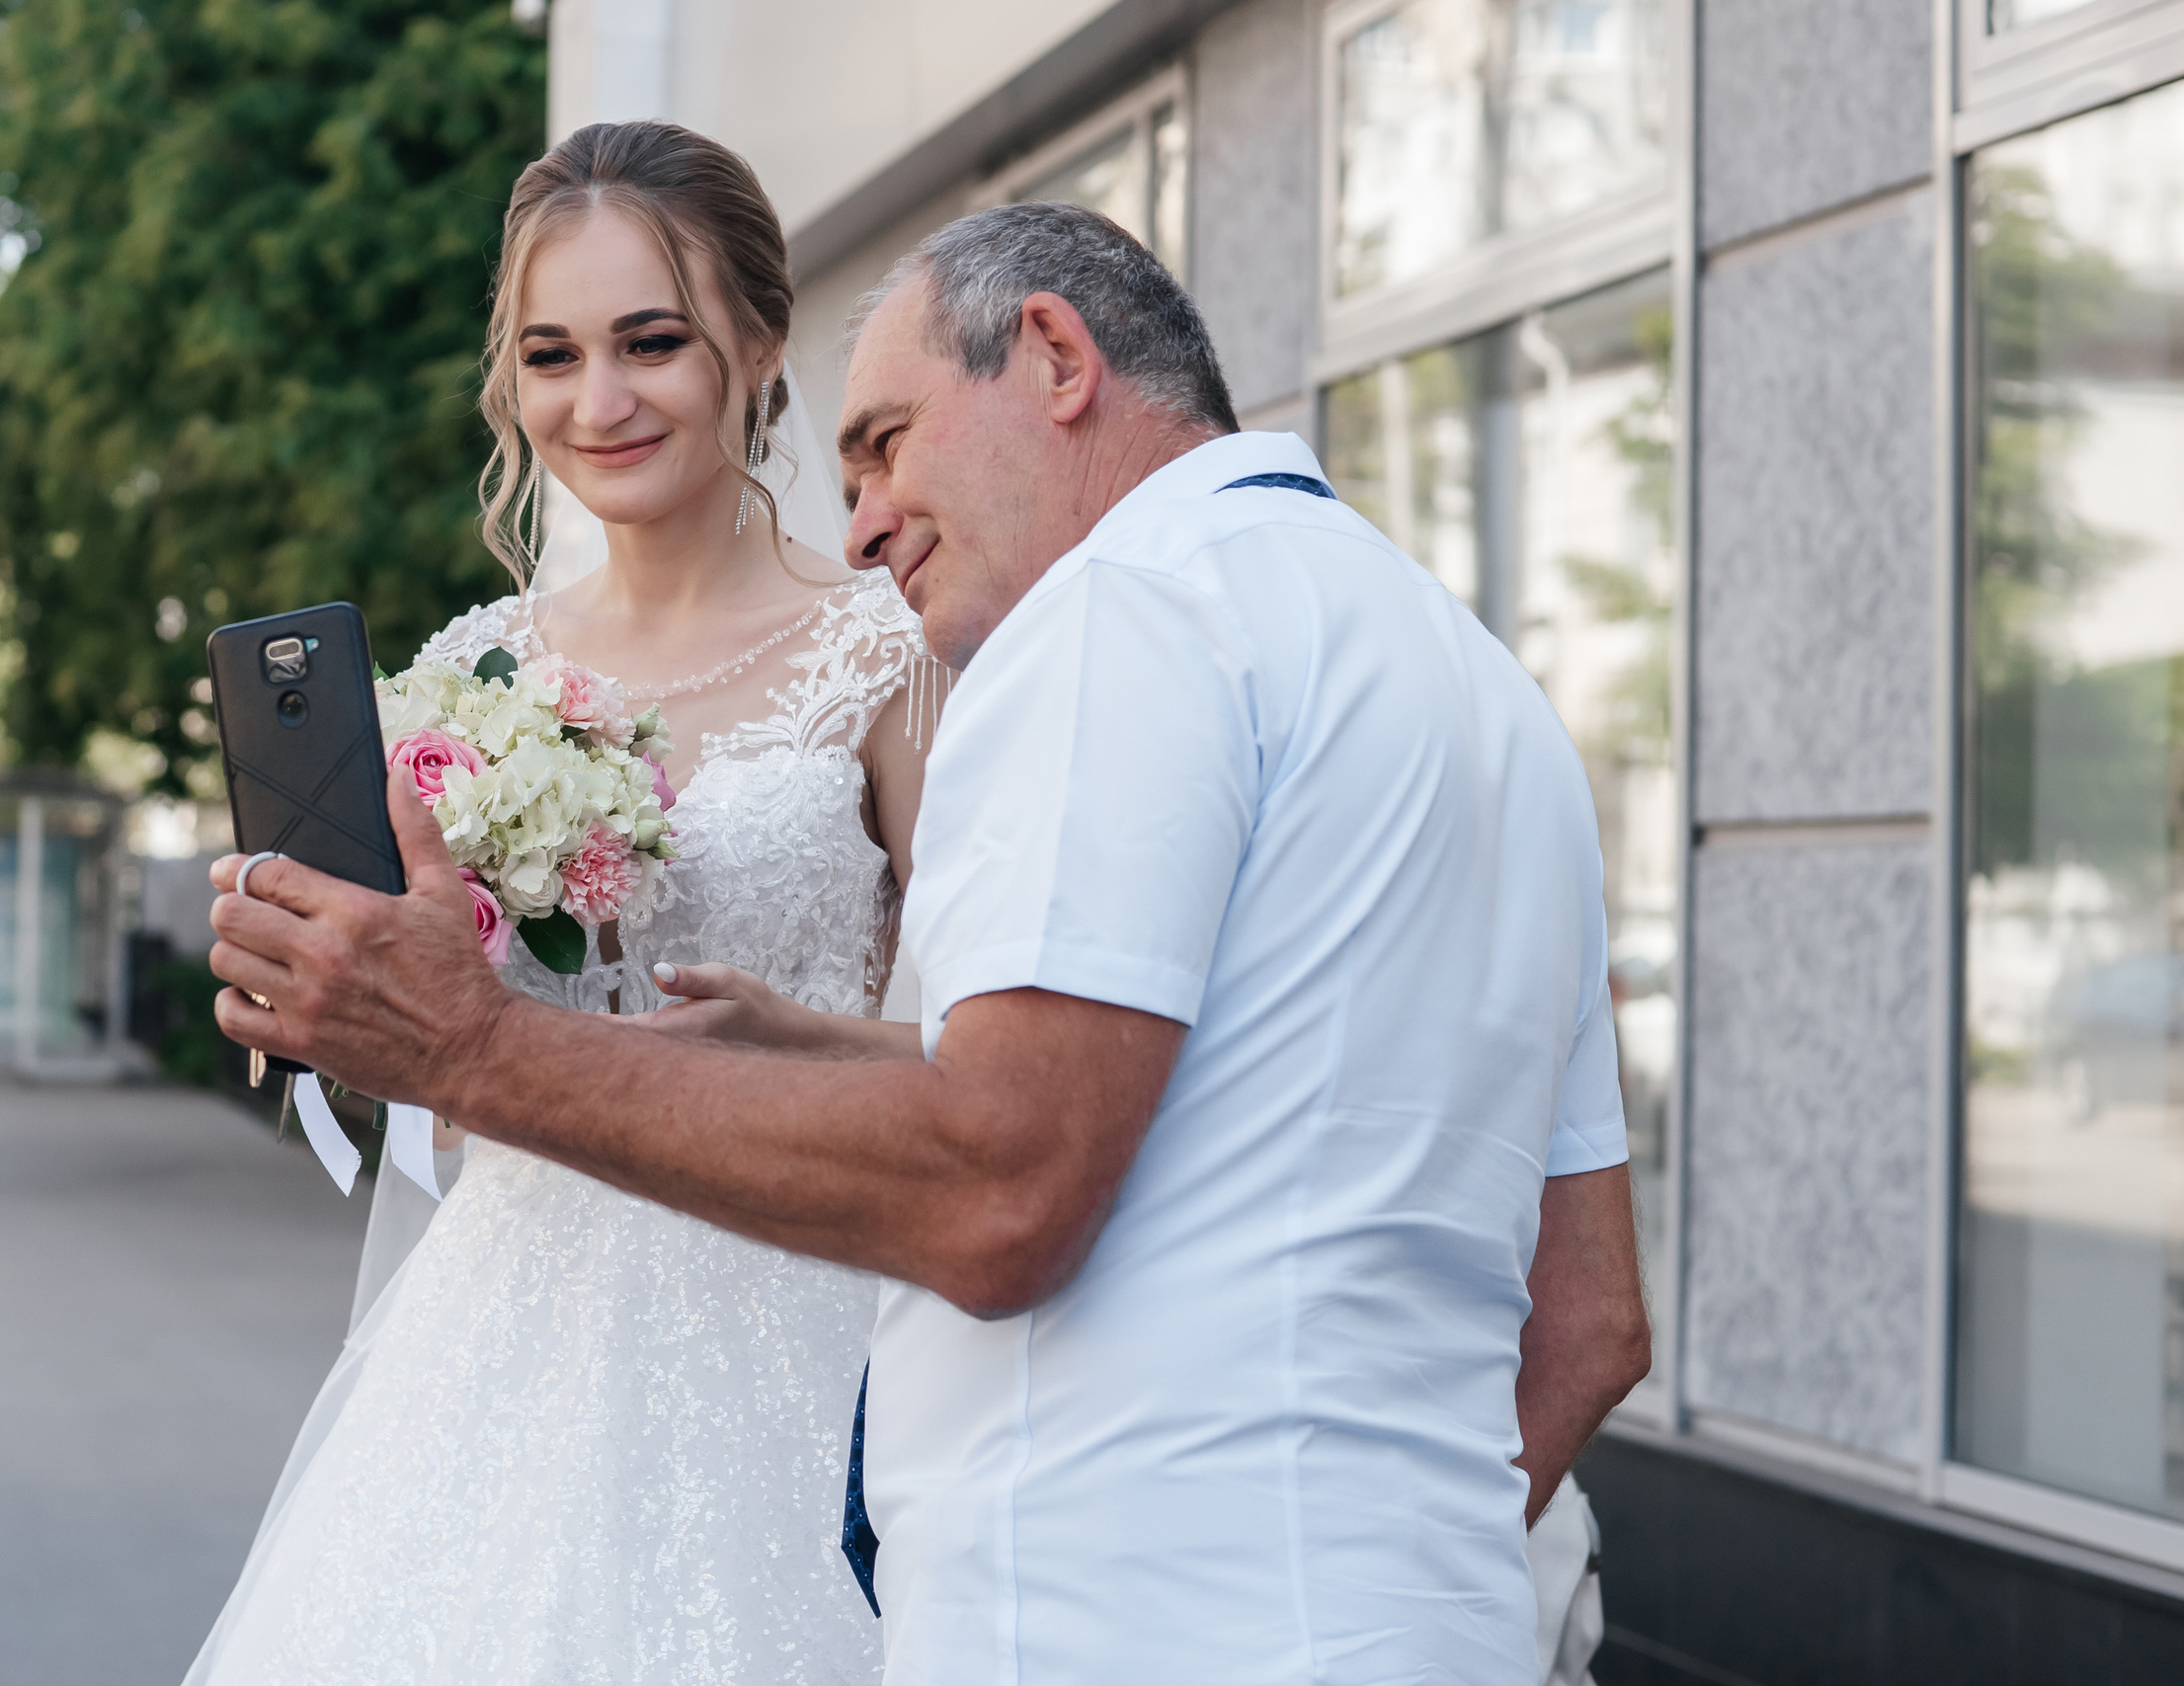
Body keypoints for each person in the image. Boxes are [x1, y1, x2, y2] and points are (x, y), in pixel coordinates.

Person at [209, 201, 1651, 1682]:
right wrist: (1364, 1590)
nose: (865, 519)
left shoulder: (1119, 617)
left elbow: (1003, 1190)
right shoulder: (1494, 698)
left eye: (888, 440)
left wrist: (472, 1043)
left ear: (1052, 355)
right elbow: (1594, 1318)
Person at [184, 121, 934, 1686]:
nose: (599, 403)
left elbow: (984, 1052)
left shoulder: (890, 654)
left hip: (802, 1312)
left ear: (759, 342)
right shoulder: (472, 671)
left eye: (651, 342)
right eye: (553, 353)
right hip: (498, 1344)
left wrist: (806, 1049)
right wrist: (307, 970)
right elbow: (434, 1079)